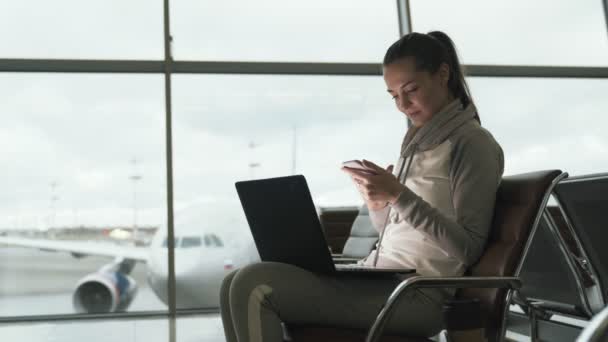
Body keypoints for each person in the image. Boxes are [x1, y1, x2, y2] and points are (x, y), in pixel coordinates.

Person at [220, 31, 504, 342]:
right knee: (233, 282)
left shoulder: (472, 143)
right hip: (382, 278)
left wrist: (398, 194)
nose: (403, 104)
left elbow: (468, 248)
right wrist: (379, 204)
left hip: (419, 295)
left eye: (411, 89)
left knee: (253, 285)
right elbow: (395, 235)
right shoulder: (417, 144)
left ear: (443, 74)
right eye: (394, 95)